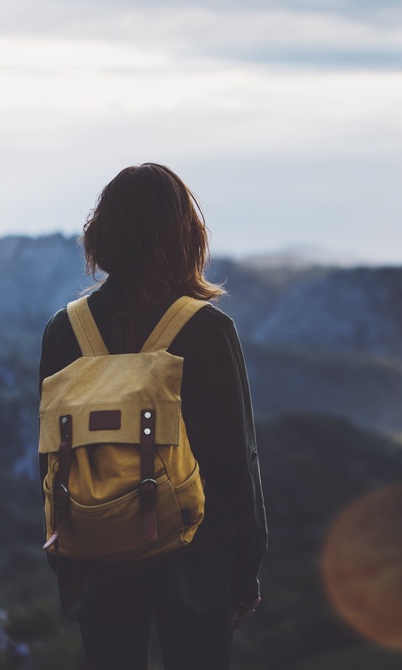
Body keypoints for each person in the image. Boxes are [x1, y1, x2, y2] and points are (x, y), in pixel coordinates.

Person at [38, 163, 267, 670]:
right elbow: (235, 460)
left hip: (94, 559)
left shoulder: (64, 331)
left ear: (102, 234)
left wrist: (62, 551)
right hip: (193, 560)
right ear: (187, 235)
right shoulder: (207, 329)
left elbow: (51, 457)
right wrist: (246, 567)